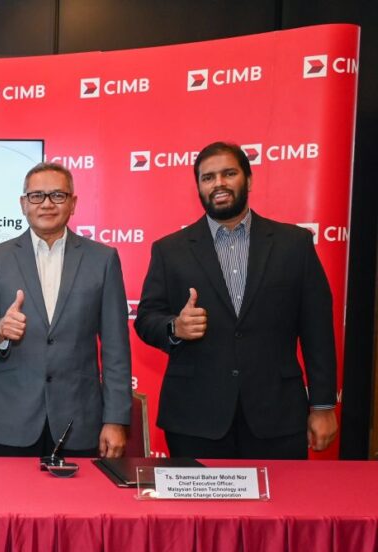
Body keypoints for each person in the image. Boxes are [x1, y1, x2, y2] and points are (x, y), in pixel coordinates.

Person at [134, 141, 338, 459]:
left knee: (281, 509)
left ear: (249, 179)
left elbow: (318, 331)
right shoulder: (169, 250)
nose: (219, 183)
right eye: (208, 177)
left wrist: (323, 405)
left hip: (277, 416)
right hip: (195, 418)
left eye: (229, 173)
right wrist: (175, 327)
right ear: (199, 187)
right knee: (200, 511)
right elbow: (147, 318)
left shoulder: (294, 244)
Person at [0, 162, 131, 457]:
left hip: (80, 421)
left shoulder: (102, 259)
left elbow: (116, 348)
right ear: (23, 203)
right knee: (13, 504)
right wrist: (0, 329)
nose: (46, 204)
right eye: (36, 196)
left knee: (79, 505)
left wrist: (116, 419)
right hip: (14, 422)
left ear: (73, 203)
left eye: (57, 195)